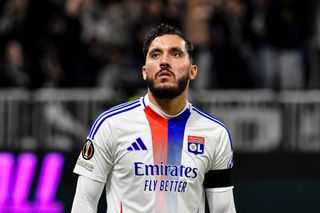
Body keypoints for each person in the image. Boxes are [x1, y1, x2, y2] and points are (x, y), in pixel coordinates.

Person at [71, 23, 236, 213]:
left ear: (193, 71)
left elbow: (223, 209)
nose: (164, 61)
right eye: (155, 55)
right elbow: (84, 202)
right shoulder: (110, 125)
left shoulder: (215, 133)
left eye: (175, 54)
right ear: (144, 71)